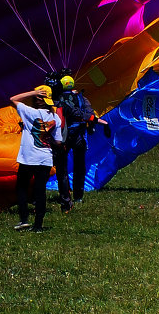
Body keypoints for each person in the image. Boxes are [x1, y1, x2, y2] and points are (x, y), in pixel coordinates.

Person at [10, 85, 63, 232]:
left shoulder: (30, 112)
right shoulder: (55, 118)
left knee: (21, 188)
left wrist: (33, 92)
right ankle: (38, 225)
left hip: (28, 157)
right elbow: (58, 142)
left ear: (37, 99)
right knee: (40, 191)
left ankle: (24, 220)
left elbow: (13, 99)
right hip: (45, 158)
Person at [54, 75, 99, 209]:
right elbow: (90, 114)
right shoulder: (81, 98)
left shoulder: (57, 99)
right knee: (80, 166)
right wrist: (91, 128)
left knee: (61, 167)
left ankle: (65, 193)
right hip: (79, 136)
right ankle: (78, 195)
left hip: (63, 137)